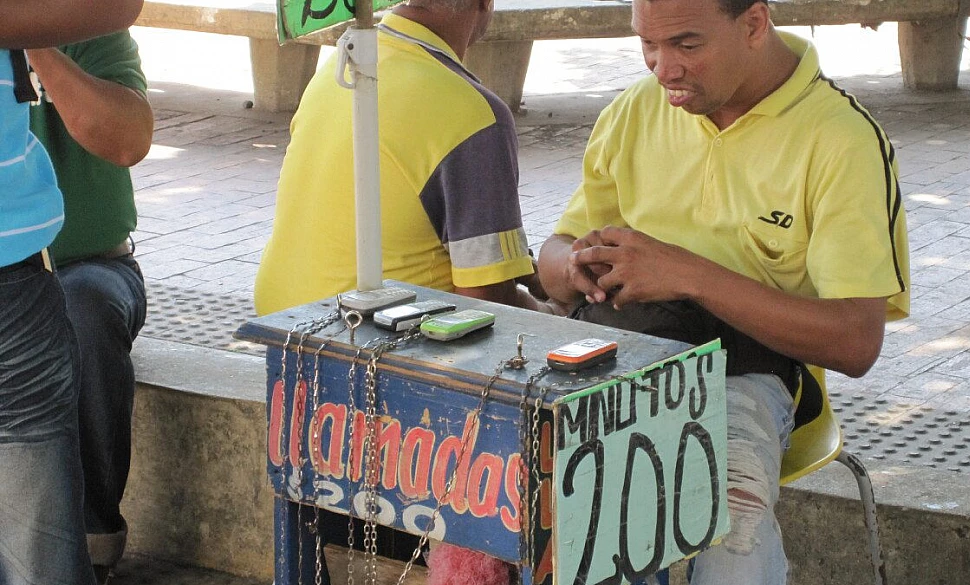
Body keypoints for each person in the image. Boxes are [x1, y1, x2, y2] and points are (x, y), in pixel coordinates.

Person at [538, 0, 910, 583]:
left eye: (687, 45)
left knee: (729, 522)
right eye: (648, 46)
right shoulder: (636, 110)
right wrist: (574, 264)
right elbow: (554, 255)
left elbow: (856, 343)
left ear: (755, 24)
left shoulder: (841, 139)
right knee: (535, 504)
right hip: (616, 355)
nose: (664, 69)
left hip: (744, 372)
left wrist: (688, 275)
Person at [254, 0, 556, 317]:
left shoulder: (342, 65)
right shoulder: (475, 114)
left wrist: (524, 268)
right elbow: (488, 302)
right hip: (363, 335)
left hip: (281, 316)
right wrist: (556, 314)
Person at [0, 3, 143, 585]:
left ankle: (97, 535)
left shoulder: (83, 26)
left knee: (82, 311)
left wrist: (38, 47)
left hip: (88, 265)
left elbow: (128, 138)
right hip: (25, 278)